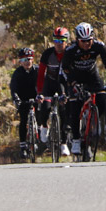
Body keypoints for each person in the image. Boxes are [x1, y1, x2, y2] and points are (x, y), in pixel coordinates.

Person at [59, 22, 106, 156]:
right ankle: (76, 139)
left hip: (92, 75)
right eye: (83, 41)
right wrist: (72, 83)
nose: (87, 44)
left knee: (102, 100)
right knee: (75, 107)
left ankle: (95, 119)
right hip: (75, 76)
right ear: (77, 40)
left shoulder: (99, 46)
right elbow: (64, 69)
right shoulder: (71, 50)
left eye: (89, 40)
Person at [36, 26, 71, 158]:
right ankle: (44, 126)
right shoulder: (47, 54)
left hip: (65, 84)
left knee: (64, 112)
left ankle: (63, 143)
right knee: (45, 106)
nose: (58, 44)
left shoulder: (70, 52)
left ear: (66, 41)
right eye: (55, 40)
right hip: (49, 83)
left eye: (61, 40)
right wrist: (40, 92)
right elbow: (40, 74)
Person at [9, 47, 39, 156]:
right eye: (24, 60)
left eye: (29, 59)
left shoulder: (38, 70)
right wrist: (16, 99)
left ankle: (41, 138)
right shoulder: (17, 73)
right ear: (20, 62)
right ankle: (22, 145)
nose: (27, 62)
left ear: (33, 59)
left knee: (41, 115)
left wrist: (42, 96)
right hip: (23, 99)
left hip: (36, 98)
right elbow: (13, 88)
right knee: (23, 120)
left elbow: (44, 84)